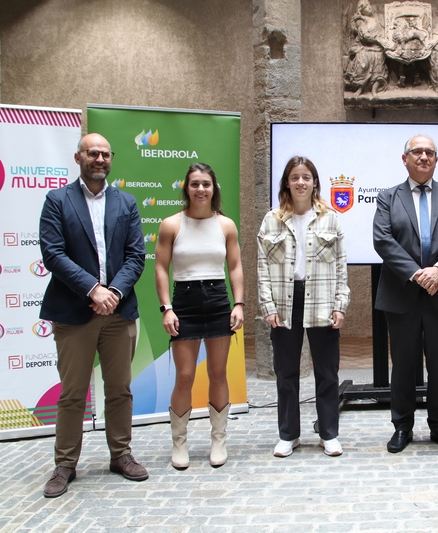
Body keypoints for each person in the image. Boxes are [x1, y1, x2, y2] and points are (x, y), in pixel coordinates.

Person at [38, 133, 147, 498]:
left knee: (120, 390)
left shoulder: (126, 202)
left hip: (118, 311)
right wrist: (93, 289)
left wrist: (113, 291)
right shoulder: (57, 200)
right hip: (74, 312)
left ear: (111, 159)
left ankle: (121, 455)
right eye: (92, 153)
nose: (99, 159)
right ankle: (65, 464)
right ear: (78, 157)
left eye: (104, 153)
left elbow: (135, 256)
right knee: (72, 394)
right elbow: (53, 254)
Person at [373, 135, 438, 453]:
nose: (424, 157)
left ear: (436, 159)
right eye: (417, 152)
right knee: (402, 364)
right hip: (401, 292)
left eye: (430, 152)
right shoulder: (388, 197)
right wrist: (418, 274)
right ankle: (402, 427)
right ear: (405, 159)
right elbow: (383, 239)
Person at [258, 156, 350, 458]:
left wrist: (341, 304)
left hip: (321, 299)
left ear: (314, 183)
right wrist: (267, 305)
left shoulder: (330, 218)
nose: (300, 182)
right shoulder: (272, 219)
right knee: (286, 371)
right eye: (295, 177)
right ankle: (289, 435)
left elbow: (340, 266)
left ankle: (329, 434)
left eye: (306, 177)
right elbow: (262, 267)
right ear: (287, 181)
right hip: (285, 300)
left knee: (327, 371)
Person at [154, 163, 244, 469]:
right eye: (195, 184)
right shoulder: (171, 225)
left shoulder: (226, 225)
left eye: (206, 183)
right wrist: (167, 308)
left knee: (218, 373)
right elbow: (160, 269)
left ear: (214, 188)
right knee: (185, 376)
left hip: (218, 300)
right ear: (186, 189)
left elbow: (234, 267)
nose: (201, 189)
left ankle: (218, 439)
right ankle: (179, 443)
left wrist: (239, 303)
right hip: (185, 302)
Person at [343, 0, 390, 96]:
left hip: (377, 47)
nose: (369, 7)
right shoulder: (359, 20)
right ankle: (360, 88)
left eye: (369, 5)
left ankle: (374, 89)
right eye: (366, 7)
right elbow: (364, 35)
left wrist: (382, 40)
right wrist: (378, 39)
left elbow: (383, 32)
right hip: (364, 46)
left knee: (379, 59)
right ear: (361, 9)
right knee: (363, 60)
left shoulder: (377, 19)